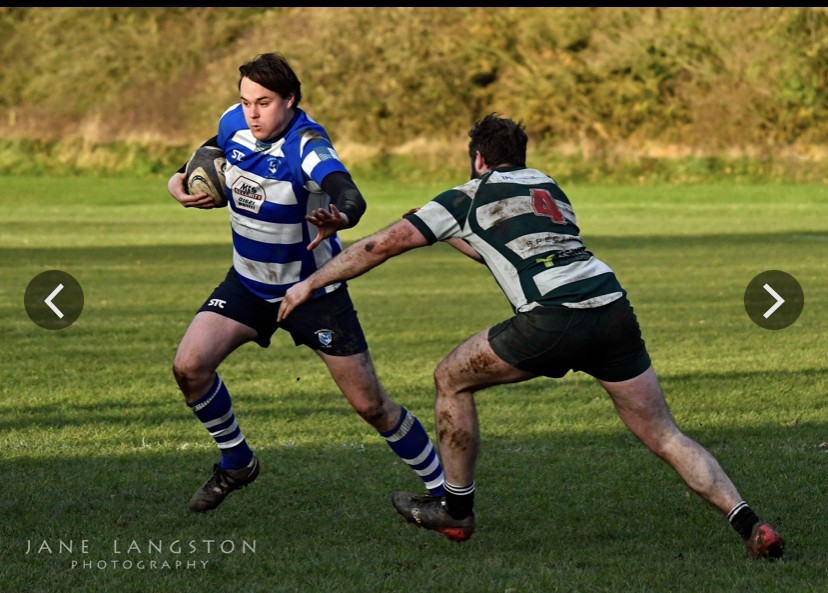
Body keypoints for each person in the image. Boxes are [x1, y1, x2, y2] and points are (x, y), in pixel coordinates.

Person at [277, 114, 785, 559]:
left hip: (552, 317)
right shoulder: (547, 186)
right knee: (664, 434)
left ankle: (456, 509)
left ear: (478, 159)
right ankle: (750, 523)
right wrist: (448, 233)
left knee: (450, 379)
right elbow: (503, 250)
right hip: (611, 309)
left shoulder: (466, 195)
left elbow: (379, 247)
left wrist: (311, 284)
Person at [166, 52, 445, 513]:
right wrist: (178, 179)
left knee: (372, 406)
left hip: (313, 293)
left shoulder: (307, 146)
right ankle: (237, 463)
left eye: (264, 103)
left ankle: (446, 496)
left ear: (290, 100)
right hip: (248, 285)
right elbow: (211, 150)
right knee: (189, 367)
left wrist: (342, 217)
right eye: (246, 101)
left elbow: (348, 192)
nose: (252, 114)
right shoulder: (235, 121)